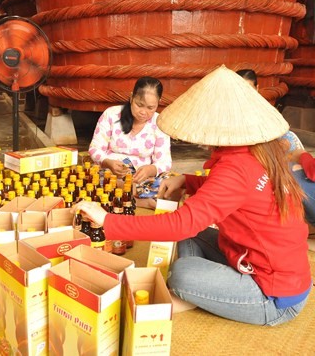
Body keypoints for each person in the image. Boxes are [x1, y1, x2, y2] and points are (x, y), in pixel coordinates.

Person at [74, 66, 311, 326]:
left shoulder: (235, 169)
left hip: (274, 294)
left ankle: (197, 292)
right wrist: (187, 180)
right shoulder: (257, 152)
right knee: (192, 233)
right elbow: (226, 193)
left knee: (182, 274)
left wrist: (108, 221)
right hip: (258, 258)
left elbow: (179, 224)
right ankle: (209, 289)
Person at [236, 69, 313, 226]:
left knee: (292, 173)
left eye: (248, 90)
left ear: (257, 89)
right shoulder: (228, 115)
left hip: (277, 155)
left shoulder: (267, 114)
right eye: (239, 91)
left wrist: (299, 156)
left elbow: (285, 144)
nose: (244, 96)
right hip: (260, 160)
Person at [88, 77, 172, 200]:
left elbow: (165, 162)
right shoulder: (111, 114)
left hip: (143, 180)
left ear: (158, 102)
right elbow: (95, 149)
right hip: (111, 175)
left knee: (169, 183)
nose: (143, 112)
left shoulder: (160, 123)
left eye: (150, 108)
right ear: (132, 97)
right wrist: (108, 162)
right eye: (139, 105)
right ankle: (140, 199)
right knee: (93, 179)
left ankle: (126, 195)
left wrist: (151, 169)